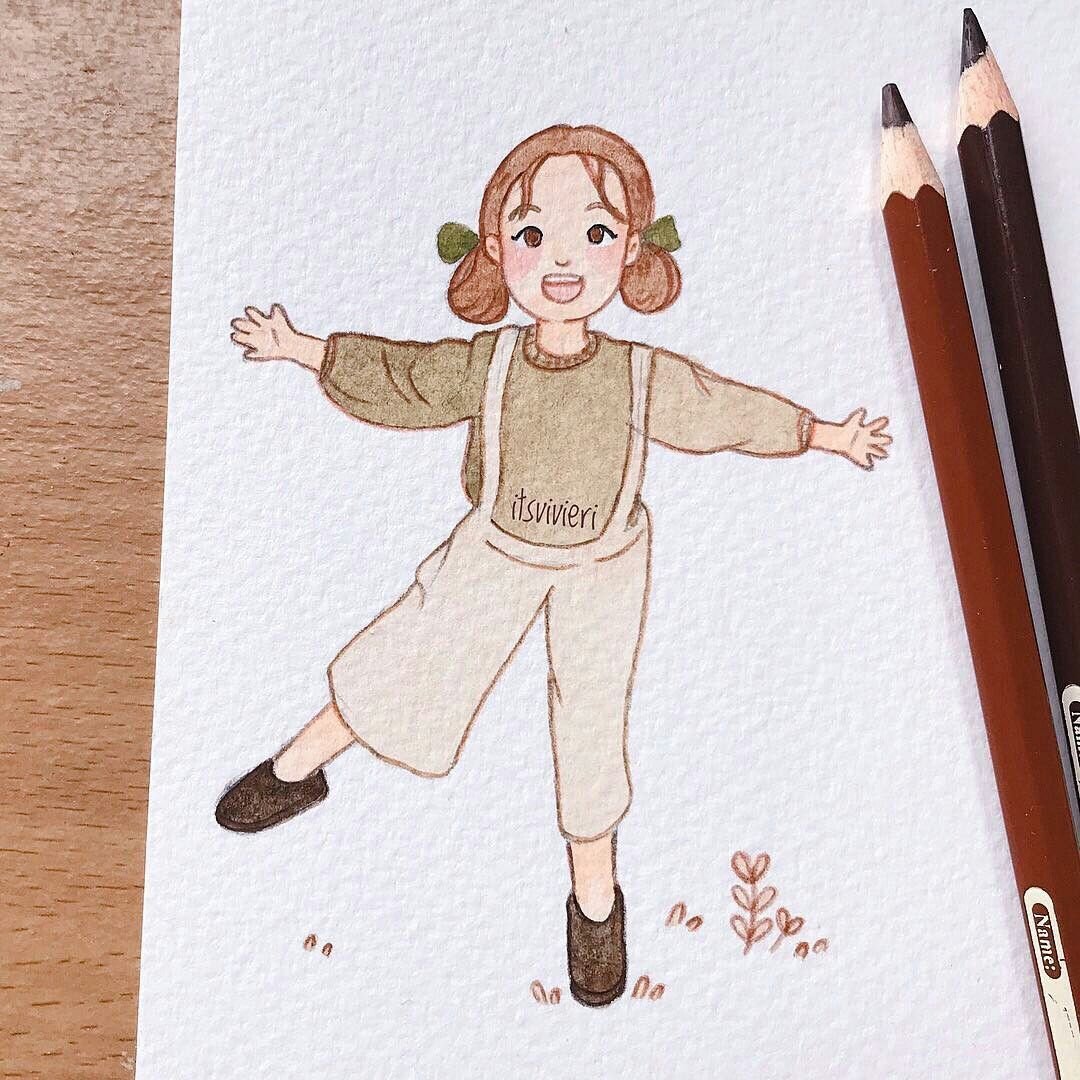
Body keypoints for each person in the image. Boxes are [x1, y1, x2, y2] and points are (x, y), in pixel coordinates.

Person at [217, 124, 891, 1007]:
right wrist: (305, 348)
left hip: (602, 565)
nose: (564, 260)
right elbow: (407, 378)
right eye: (534, 233)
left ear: (633, 248)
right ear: (497, 248)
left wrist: (823, 434)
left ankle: (596, 905)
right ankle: (294, 772)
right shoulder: (491, 360)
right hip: (496, 545)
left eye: (596, 232)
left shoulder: (640, 374)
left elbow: (720, 409)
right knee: (413, 653)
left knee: (590, 726)